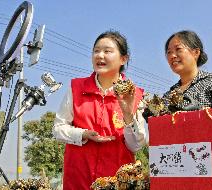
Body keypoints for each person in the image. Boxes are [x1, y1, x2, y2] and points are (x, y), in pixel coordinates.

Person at [53, 30, 146, 190]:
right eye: (96, 51)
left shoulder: (135, 94)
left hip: (117, 183)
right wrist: (82, 134)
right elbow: (58, 129)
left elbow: (136, 145)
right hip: (78, 180)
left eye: (107, 51)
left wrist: (128, 114)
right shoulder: (76, 88)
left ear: (123, 59)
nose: (100, 56)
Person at [163, 30, 212, 109]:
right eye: (169, 52)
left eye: (178, 49)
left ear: (196, 52)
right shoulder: (168, 96)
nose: (172, 56)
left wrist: (201, 111)